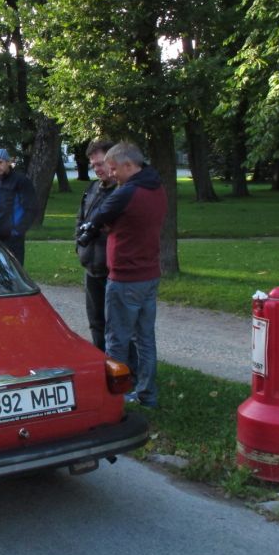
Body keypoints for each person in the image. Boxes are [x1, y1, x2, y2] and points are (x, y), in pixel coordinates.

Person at [87, 141, 167, 408]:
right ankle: (147, 394)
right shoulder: (157, 187)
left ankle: (114, 397)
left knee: (117, 340)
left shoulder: (128, 192)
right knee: (145, 339)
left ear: (129, 165)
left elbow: (99, 217)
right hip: (149, 273)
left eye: (114, 169)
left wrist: (107, 226)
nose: (111, 174)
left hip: (125, 276)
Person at [75, 140, 116, 350]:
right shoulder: (92, 189)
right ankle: (101, 361)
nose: (97, 169)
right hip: (91, 267)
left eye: (100, 164)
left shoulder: (122, 192)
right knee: (96, 322)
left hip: (113, 271)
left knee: (117, 325)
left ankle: (122, 365)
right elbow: (80, 219)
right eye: (93, 166)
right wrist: (79, 246)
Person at [0, 148, 38, 265]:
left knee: (14, 272)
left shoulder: (21, 181)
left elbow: (31, 209)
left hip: (13, 239)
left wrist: (17, 231)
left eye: (0, 162)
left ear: (8, 162)